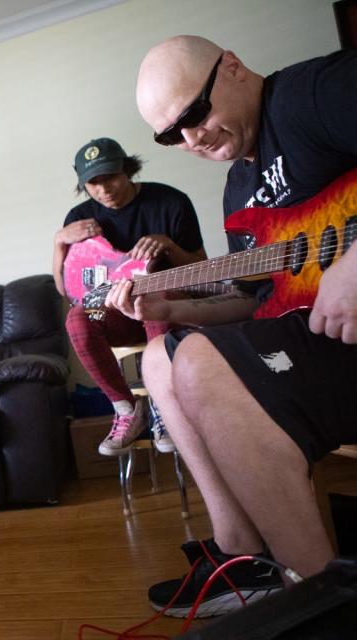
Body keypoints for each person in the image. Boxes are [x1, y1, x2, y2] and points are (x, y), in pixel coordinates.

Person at [112, 35, 357, 618]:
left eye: (195, 114)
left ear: (234, 68)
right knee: (161, 357)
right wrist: (170, 310)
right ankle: (244, 557)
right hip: (319, 341)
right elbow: (252, 301)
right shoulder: (237, 191)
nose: (192, 139)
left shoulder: (310, 94)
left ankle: (321, 607)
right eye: (172, 134)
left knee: (197, 361)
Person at [52, 137, 207, 456]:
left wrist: (167, 245)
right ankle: (126, 410)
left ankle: (165, 407)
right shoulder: (79, 218)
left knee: (150, 290)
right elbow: (69, 290)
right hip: (117, 317)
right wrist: (58, 243)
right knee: (78, 317)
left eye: (110, 176)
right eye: (93, 183)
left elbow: (202, 272)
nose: (103, 189)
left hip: (169, 311)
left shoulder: (170, 202)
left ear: (127, 169)